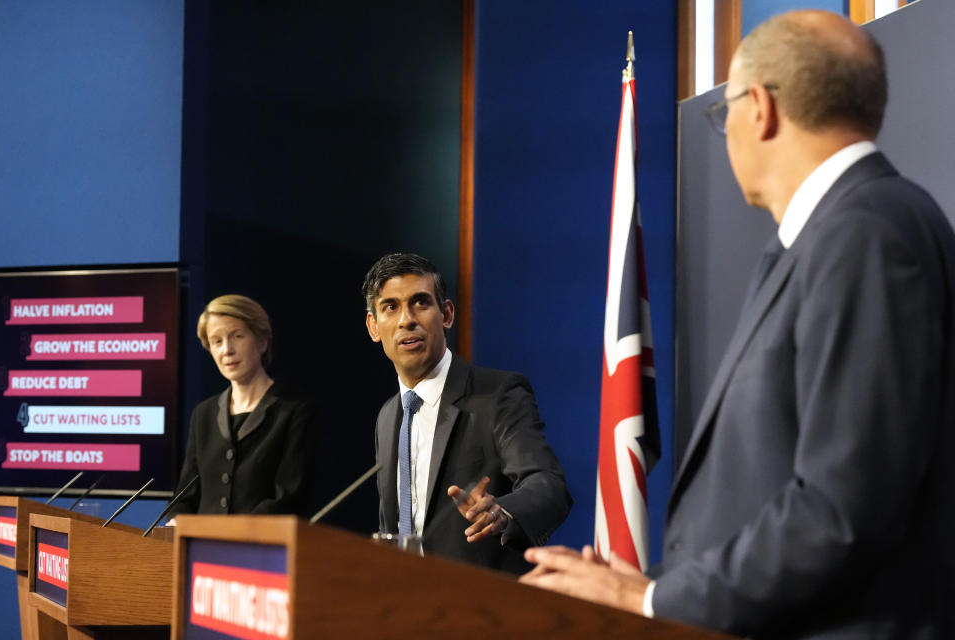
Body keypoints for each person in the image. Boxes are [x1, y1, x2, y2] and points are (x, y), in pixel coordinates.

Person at [521, 10, 955, 638]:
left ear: (760, 109)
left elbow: (843, 510)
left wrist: (652, 603)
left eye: (724, 114)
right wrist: (659, 587)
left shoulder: (867, 236)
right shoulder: (841, 233)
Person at [364, 252, 572, 573]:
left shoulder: (497, 394)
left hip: (479, 601)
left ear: (446, 314)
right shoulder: (388, 416)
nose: (406, 319)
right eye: (390, 307)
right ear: (374, 327)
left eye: (420, 303)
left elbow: (547, 484)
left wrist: (502, 512)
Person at [170, 294, 316, 517]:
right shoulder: (204, 414)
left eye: (237, 336)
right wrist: (175, 523)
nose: (226, 350)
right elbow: (185, 497)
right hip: (201, 549)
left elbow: (289, 497)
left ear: (262, 341)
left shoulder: (294, 410)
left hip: (263, 548)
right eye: (217, 341)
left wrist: (233, 536)